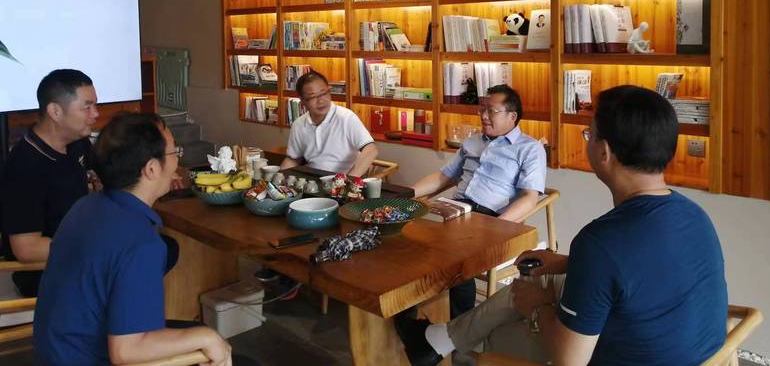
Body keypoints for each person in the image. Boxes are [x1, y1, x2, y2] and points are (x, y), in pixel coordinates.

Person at [395, 85, 728, 366]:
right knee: (539, 279)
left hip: (619, 356)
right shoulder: (693, 214)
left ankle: (449, 346)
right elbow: (642, 268)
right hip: (691, 350)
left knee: (492, 335)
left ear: (603, 152)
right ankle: (436, 339)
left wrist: (538, 307)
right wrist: (569, 263)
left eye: (588, 134)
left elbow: (570, 360)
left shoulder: (600, 242)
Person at [33, 112, 253, 365]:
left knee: (197, 332)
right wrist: (208, 338)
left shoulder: (87, 205)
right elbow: (126, 351)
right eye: (174, 152)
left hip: (56, 351)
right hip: (90, 357)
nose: (177, 160)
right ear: (151, 169)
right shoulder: (140, 242)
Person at [410, 84, 547, 317]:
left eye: (491, 111)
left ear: (512, 116)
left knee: (454, 257)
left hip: (490, 217)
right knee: (411, 241)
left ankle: (457, 325)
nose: (483, 115)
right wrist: (404, 194)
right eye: (482, 110)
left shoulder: (529, 149)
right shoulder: (472, 142)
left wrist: (498, 225)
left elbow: (529, 197)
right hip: (455, 210)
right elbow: (444, 177)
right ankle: (415, 314)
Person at [0, 69, 98, 297]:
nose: (95, 114)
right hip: (46, 273)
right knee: (144, 257)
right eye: (87, 107)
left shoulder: (76, 142)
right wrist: (94, 244)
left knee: (156, 247)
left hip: (82, 253)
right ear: (55, 111)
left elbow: (109, 170)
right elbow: (26, 248)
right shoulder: (24, 166)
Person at [280, 70, 378, 176]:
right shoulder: (298, 124)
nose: (321, 100)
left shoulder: (346, 117)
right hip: (313, 179)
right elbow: (293, 159)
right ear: (303, 101)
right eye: (313, 97)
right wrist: (277, 178)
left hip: (343, 180)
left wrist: (348, 180)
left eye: (323, 93)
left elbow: (371, 150)